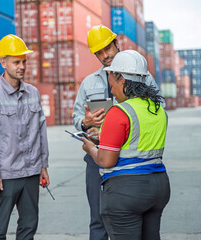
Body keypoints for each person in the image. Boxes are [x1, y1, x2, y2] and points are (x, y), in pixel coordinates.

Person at [72, 24, 164, 240]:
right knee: (98, 218)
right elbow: (77, 118)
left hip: (131, 160)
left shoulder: (143, 76)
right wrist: (85, 123)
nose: (105, 55)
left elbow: (157, 111)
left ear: (116, 43)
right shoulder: (88, 83)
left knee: (131, 222)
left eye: (108, 49)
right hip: (97, 157)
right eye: (99, 52)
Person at [0, 34, 49, 240]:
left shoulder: (33, 93)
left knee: (29, 227)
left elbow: (41, 131)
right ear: (3, 62)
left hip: (31, 173)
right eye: (16, 62)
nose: (22, 66)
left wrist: (43, 165)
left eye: (24, 62)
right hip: (5, 175)